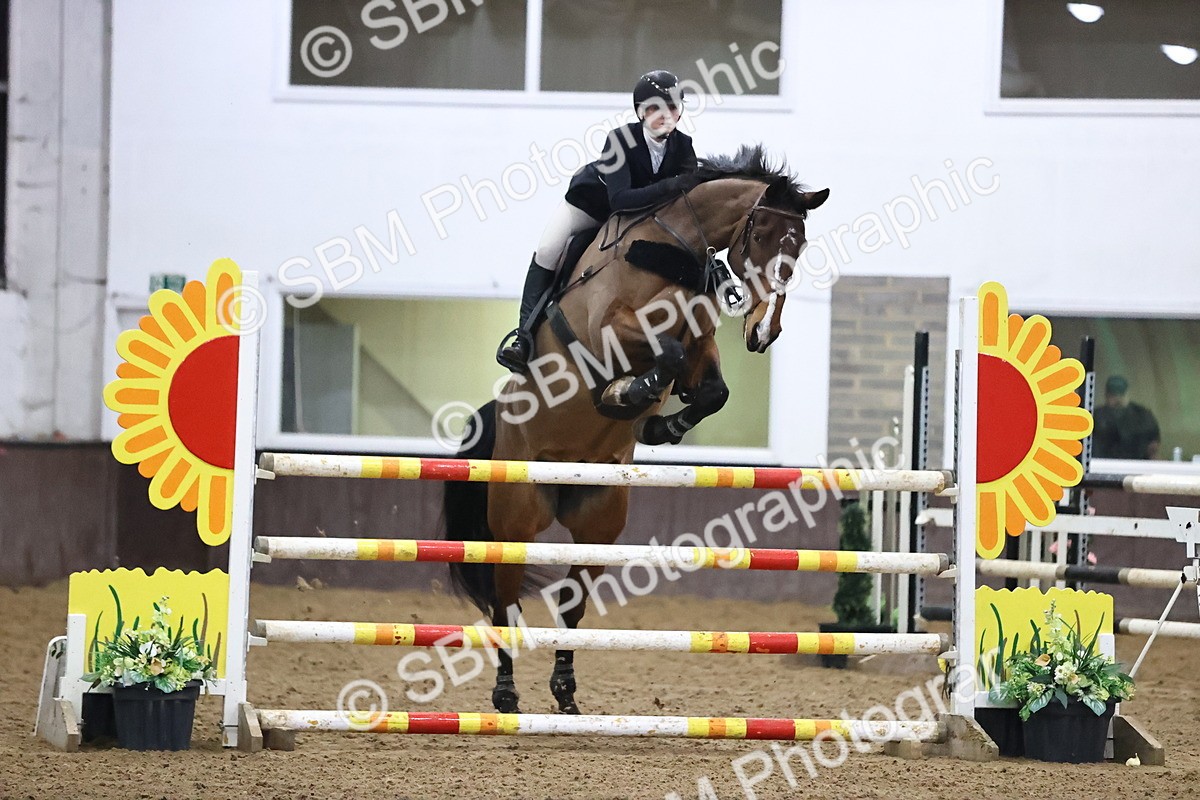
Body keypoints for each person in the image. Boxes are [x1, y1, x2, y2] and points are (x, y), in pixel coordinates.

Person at [496, 69, 699, 373]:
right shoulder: (619, 139)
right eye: (656, 107)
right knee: (549, 250)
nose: (665, 115)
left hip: (634, 221)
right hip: (591, 207)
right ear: (641, 112)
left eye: (671, 107)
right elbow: (620, 199)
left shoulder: (684, 146)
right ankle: (523, 338)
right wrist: (671, 186)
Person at [1092, 375, 1160, 459]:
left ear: (1127, 393)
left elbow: (1153, 444)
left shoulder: (1143, 415)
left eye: (1121, 394)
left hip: (1138, 466)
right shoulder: (1096, 416)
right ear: (1106, 395)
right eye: (1113, 395)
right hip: (1104, 466)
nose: (1118, 399)